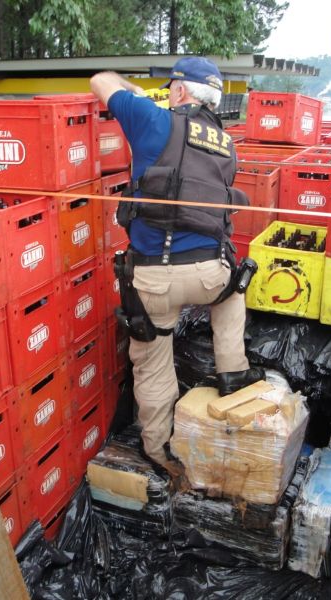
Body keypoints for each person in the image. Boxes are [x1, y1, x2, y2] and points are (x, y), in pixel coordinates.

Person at [90, 57, 264, 475]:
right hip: (210, 277)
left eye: (171, 88)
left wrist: (134, 91)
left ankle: (156, 448)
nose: (168, 94)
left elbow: (100, 79)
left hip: (155, 279)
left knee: (152, 360)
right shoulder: (226, 144)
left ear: (181, 92)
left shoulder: (149, 119)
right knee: (233, 294)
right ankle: (233, 375)